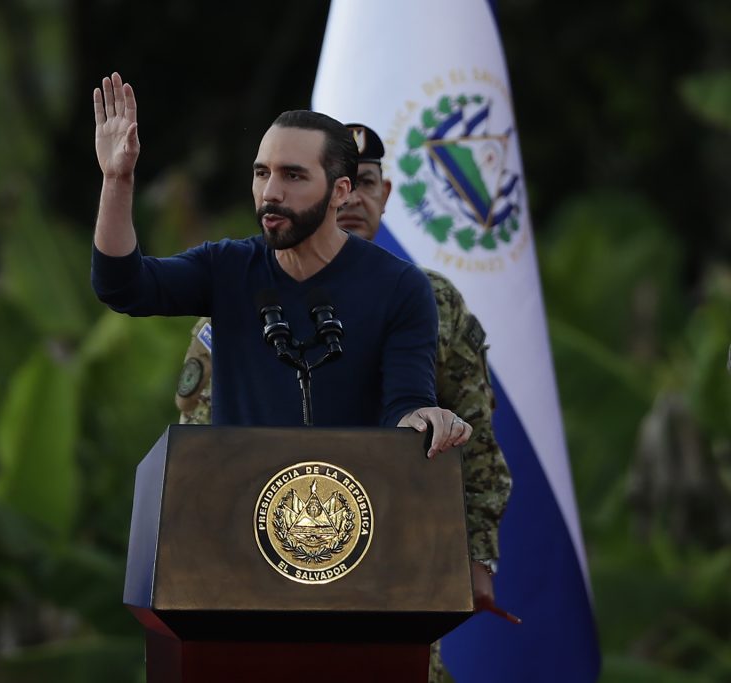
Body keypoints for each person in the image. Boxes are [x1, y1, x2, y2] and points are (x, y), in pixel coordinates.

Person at [174, 124, 513, 683]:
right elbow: (205, 440)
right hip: (266, 561)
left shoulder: (430, 301)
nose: (351, 199)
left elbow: (473, 441)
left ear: (383, 193)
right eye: (339, 184)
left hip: (396, 567)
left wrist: (477, 554)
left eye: (366, 183)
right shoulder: (244, 293)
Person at [91, 72, 472, 453]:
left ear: (340, 191)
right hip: (239, 502)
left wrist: (423, 418)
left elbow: (404, 406)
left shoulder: (399, 287)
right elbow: (123, 286)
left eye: (293, 175)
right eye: (262, 173)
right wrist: (117, 179)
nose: (271, 193)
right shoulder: (226, 267)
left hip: (350, 505)